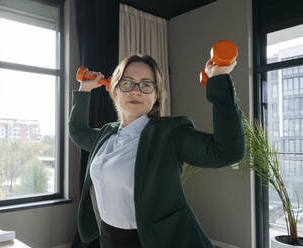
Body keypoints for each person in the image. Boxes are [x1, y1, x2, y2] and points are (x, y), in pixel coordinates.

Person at [68, 54, 245, 248]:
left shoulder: (170, 134)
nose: (136, 91)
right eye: (127, 83)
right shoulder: (106, 134)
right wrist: (84, 89)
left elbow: (228, 152)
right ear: (115, 91)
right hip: (108, 238)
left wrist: (219, 79)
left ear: (156, 95)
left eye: (146, 85)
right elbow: (78, 131)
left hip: (151, 241)